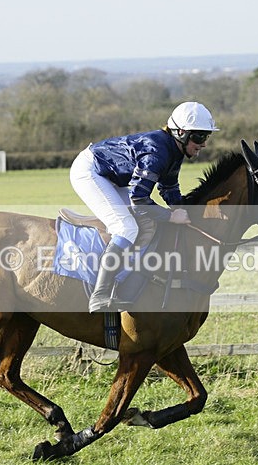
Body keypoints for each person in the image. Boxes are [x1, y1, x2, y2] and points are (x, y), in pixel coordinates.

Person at [70, 101, 219, 313]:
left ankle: (123, 279)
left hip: (112, 176)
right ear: (181, 133)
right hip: (90, 171)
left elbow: (168, 188)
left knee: (143, 225)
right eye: (199, 137)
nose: (203, 144)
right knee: (126, 227)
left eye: (207, 137)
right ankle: (100, 296)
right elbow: (139, 201)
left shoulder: (173, 150)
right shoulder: (157, 152)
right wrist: (170, 217)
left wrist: (186, 211)